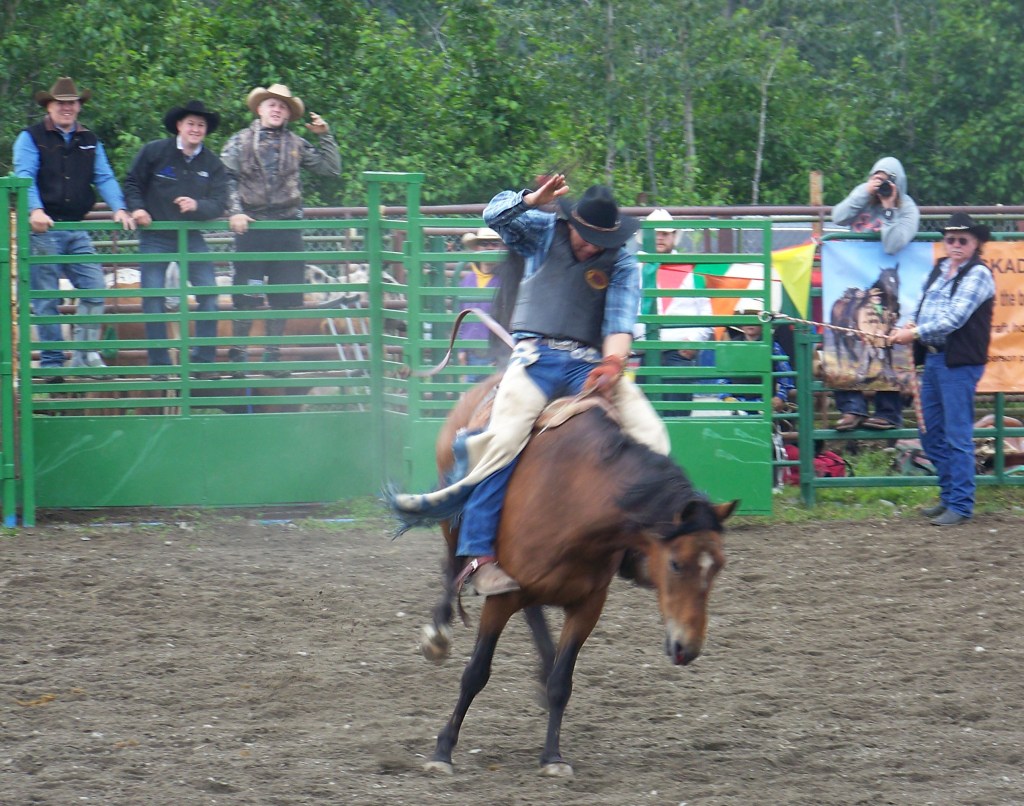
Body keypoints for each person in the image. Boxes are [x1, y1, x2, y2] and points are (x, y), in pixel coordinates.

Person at [390, 177, 670, 595]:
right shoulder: (542, 229)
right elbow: (494, 215)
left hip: (591, 363)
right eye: (586, 236)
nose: (591, 247)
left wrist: (612, 364)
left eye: (600, 240)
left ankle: (637, 548)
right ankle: (482, 557)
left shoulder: (622, 261)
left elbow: (619, 321)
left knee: (653, 439)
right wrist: (531, 201)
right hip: (535, 357)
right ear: (571, 223)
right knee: (501, 441)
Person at [12, 76, 135, 381]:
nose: (67, 108)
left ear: (79, 106)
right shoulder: (31, 137)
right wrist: (35, 210)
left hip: (75, 226)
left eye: (72, 103)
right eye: (61, 103)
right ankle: (53, 364)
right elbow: (25, 175)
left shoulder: (89, 139)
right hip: (43, 227)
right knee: (46, 299)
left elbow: (104, 177)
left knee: (94, 287)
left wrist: (119, 207)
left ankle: (84, 357)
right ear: (49, 106)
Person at [220, 84, 341, 375]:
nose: (277, 109)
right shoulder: (239, 141)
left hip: (287, 228)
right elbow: (225, 179)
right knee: (247, 294)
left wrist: (325, 135)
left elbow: (331, 169)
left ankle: (271, 356)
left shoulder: (297, 144)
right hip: (252, 227)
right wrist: (235, 211)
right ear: (259, 108)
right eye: (271, 104)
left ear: (288, 114)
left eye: (283, 106)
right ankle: (239, 354)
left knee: (284, 296)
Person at [888, 213, 995, 527]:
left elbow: (954, 318)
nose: (956, 244)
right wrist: (910, 324)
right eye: (951, 239)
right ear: (945, 241)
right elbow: (923, 307)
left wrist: (914, 333)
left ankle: (960, 504)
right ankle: (950, 496)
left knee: (957, 434)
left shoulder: (978, 274)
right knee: (930, 431)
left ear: (976, 243)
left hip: (958, 361)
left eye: (963, 239)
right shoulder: (938, 270)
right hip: (935, 359)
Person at [123, 100, 228, 372]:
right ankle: (160, 365)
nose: (195, 129)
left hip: (190, 235)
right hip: (155, 234)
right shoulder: (155, 151)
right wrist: (137, 209)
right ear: (179, 126)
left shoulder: (212, 163)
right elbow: (132, 182)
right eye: (191, 123)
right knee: (153, 297)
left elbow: (219, 202)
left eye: (201, 125)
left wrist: (197, 206)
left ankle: (203, 362)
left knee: (210, 296)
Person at [830, 156, 920, 431]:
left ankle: (888, 412)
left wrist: (890, 207)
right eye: (878, 178)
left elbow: (893, 245)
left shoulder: (907, 208)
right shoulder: (863, 197)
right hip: (853, 282)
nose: (882, 185)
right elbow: (838, 216)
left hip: (889, 287)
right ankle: (852, 408)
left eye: (888, 180)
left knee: (890, 343)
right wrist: (865, 191)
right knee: (838, 335)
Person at [639, 209, 713, 416]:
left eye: (665, 233)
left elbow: (706, 314)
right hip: (646, 352)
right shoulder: (635, 267)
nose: (660, 237)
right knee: (641, 422)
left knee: (676, 419)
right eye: (656, 232)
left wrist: (693, 342)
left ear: (673, 236)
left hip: (677, 354)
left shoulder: (692, 268)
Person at [720, 298, 795, 412]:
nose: (751, 323)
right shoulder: (733, 345)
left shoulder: (772, 346)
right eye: (747, 318)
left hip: (765, 403)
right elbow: (724, 375)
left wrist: (780, 396)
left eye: (756, 318)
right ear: (741, 324)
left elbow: (785, 374)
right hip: (738, 403)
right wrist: (726, 396)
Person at [455, 227, 506, 381]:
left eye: (494, 244)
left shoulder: (506, 279)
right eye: (484, 244)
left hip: (496, 355)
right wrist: (462, 349)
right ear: (477, 248)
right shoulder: (467, 281)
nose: (489, 247)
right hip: (472, 355)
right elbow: (461, 317)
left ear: (500, 248)